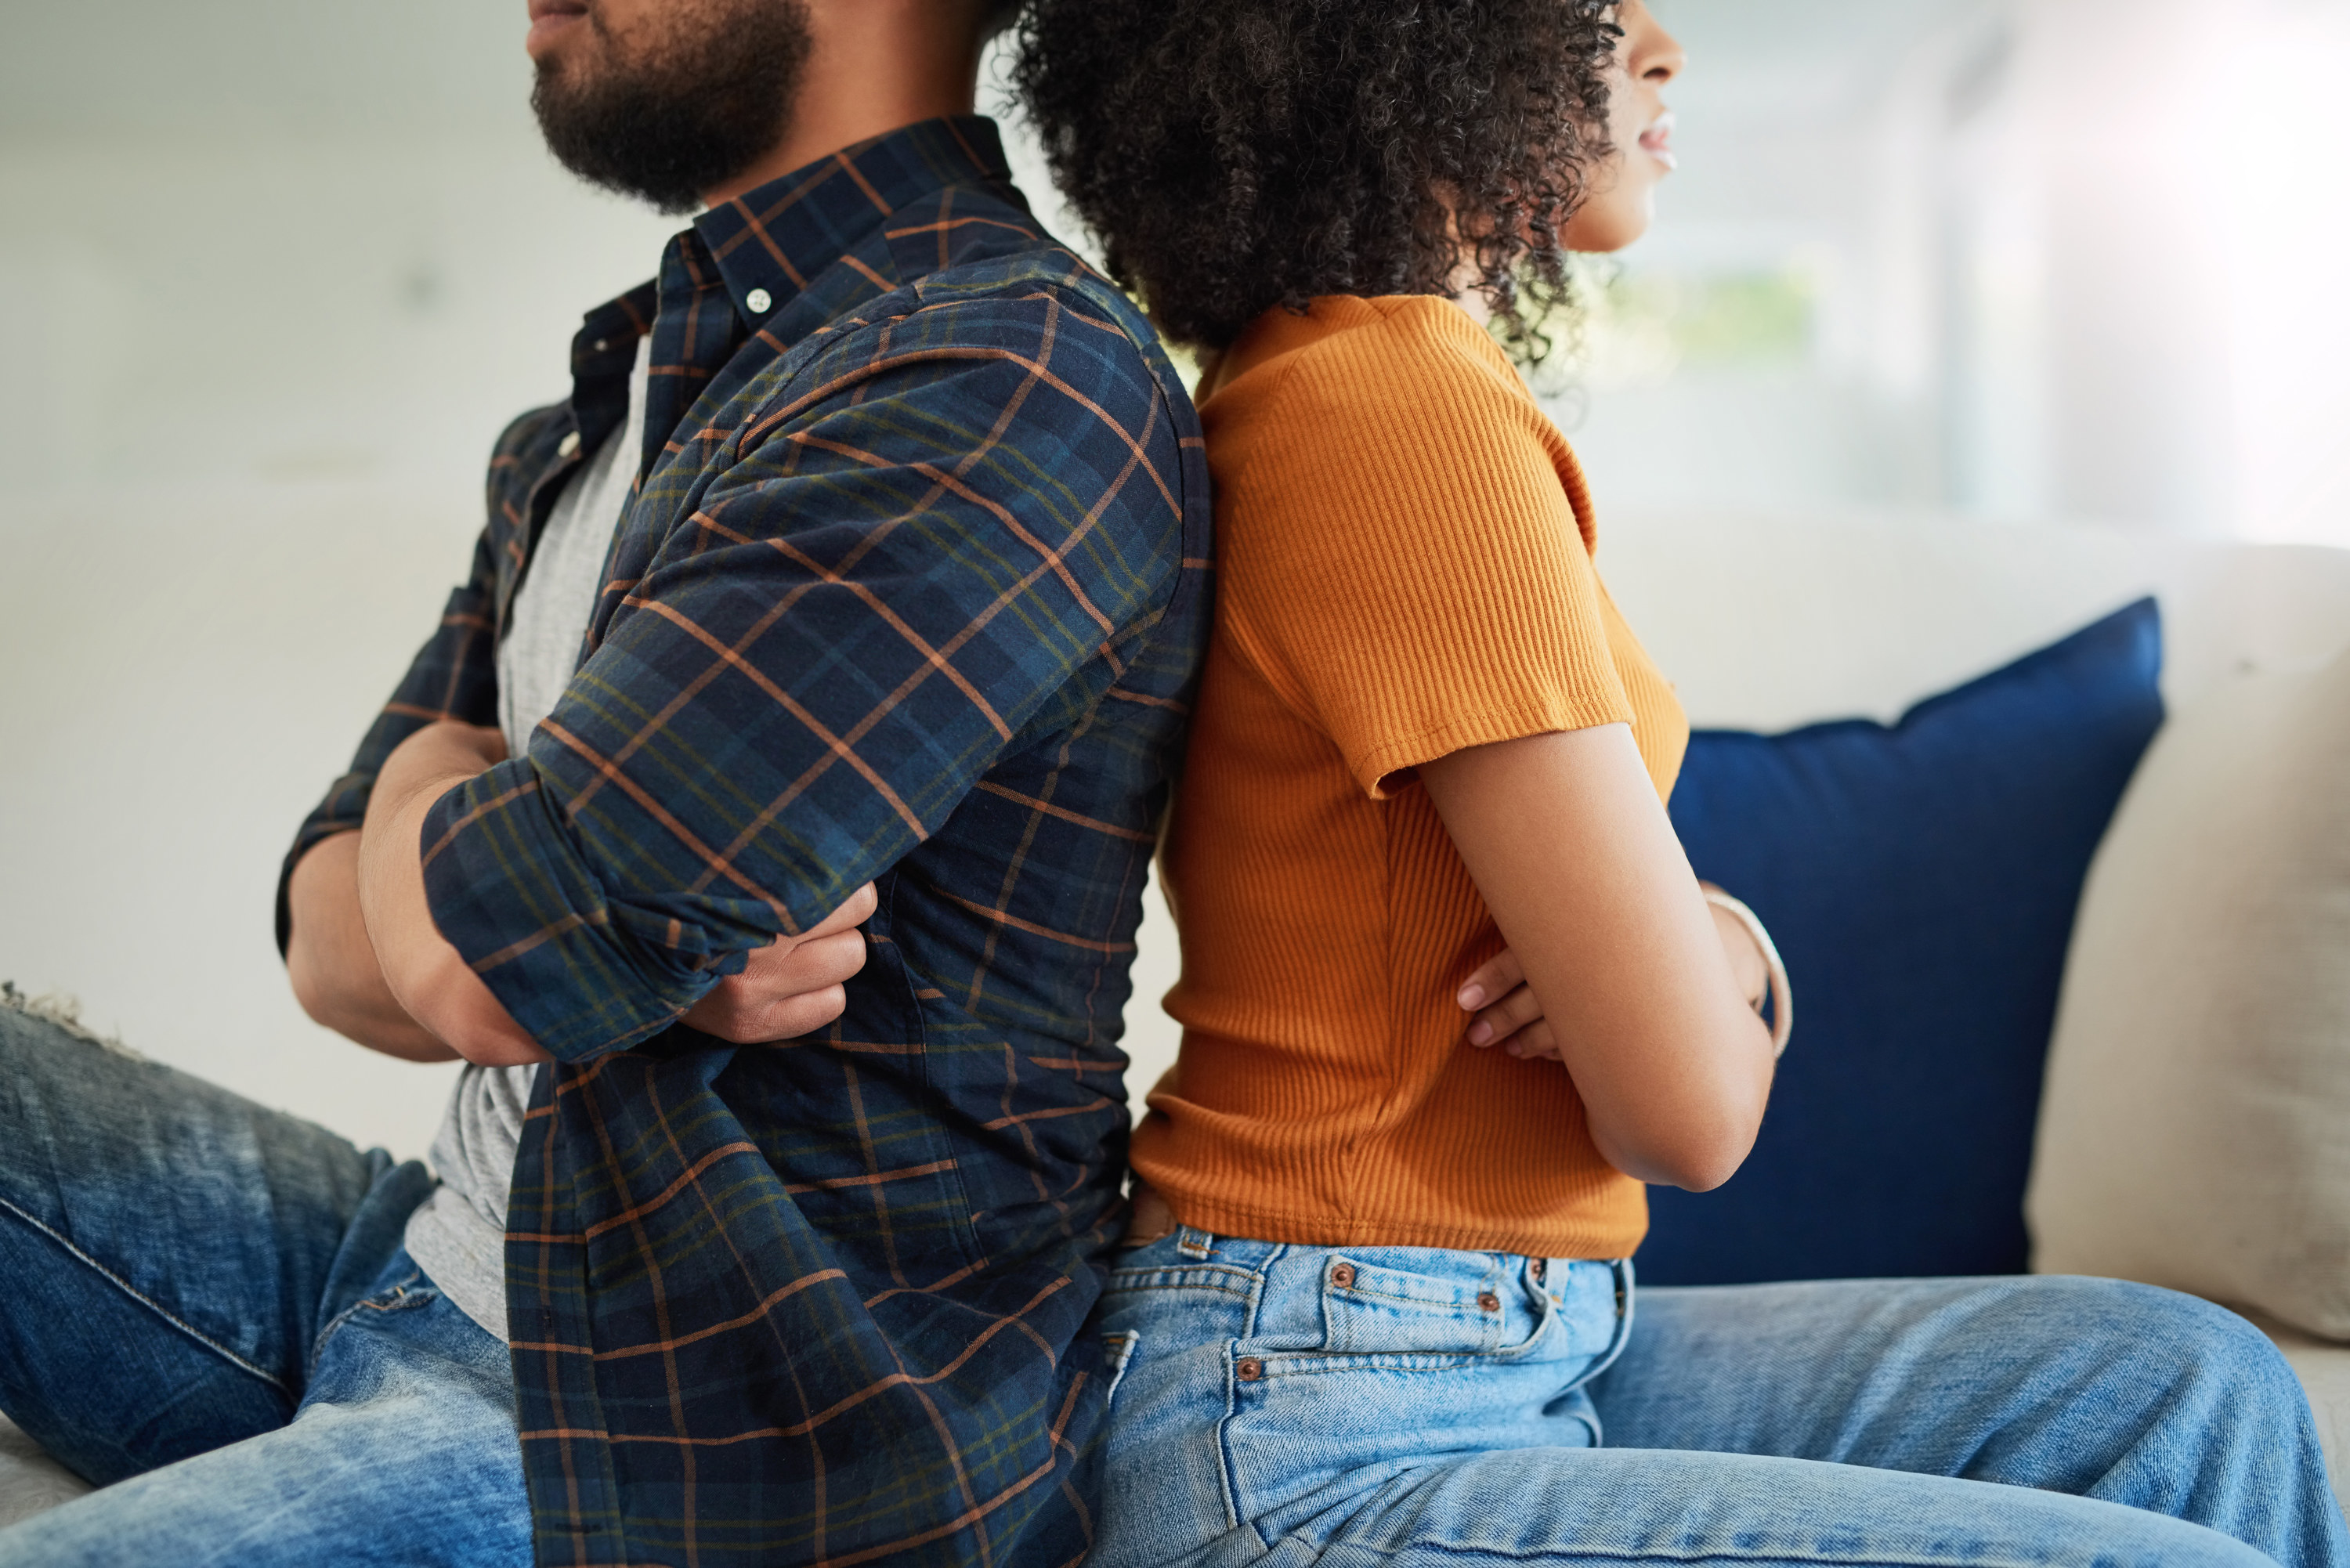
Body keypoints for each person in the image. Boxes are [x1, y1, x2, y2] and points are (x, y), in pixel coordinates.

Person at [1014, 2, 2349, 1565]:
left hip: (1468, 1330)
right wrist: (1714, 958)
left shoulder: (1355, 382)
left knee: (2191, 1391)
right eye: (1596, 5)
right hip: (1315, 1415)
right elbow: (1690, 1110)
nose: (1662, 46)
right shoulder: (1392, 415)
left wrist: (1730, 945)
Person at [0, 0, 1209, 1563]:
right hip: (429, 1250)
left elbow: (482, 964)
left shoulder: (1002, 371)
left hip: (675, 1421)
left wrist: (471, 848)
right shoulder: (625, 384)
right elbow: (335, 941)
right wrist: (488, 835)